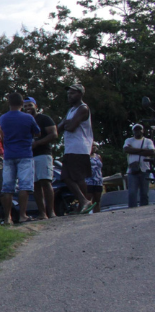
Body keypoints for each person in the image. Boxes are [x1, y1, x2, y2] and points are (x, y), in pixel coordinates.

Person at [0, 93, 41, 225]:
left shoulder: (3, 118)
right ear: (22, 104)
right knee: (24, 185)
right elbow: (37, 132)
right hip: (25, 154)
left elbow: (1, 134)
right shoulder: (28, 118)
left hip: (8, 154)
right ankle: (23, 215)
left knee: (7, 188)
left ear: (9, 103)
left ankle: (7, 218)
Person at [56, 83, 95, 214]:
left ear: (80, 94)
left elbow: (71, 127)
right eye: (68, 93)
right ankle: (83, 202)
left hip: (79, 147)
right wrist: (66, 124)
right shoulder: (71, 110)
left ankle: (86, 202)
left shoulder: (83, 108)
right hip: (70, 147)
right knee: (68, 177)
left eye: (72, 93)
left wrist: (67, 124)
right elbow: (59, 128)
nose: (69, 96)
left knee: (76, 177)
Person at [22, 97, 58, 220]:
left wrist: (38, 143)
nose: (27, 108)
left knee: (46, 182)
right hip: (29, 156)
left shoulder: (44, 119)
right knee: (35, 185)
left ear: (36, 106)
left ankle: (51, 211)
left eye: (30, 105)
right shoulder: (24, 120)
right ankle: (42, 213)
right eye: (25, 106)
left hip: (43, 154)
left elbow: (54, 134)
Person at [123, 124, 154, 208]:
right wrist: (143, 150)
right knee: (132, 192)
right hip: (132, 170)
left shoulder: (148, 141)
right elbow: (126, 149)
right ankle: (132, 209)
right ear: (133, 131)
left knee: (144, 192)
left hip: (145, 169)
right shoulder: (129, 140)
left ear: (143, 130)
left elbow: (152, 152)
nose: (138, 131)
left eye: (140, 129)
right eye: (136, 130)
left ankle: (143, 209)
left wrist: (133, 150)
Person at [86, 142, 104, 207]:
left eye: (95, 146)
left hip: (98, 181)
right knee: (88, 199)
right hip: (89, 181)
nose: (94, 147)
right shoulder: (86, 156)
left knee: (97, 201)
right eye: (92, 146)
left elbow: (100, 167)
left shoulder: (98, 156)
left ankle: (97, 214)